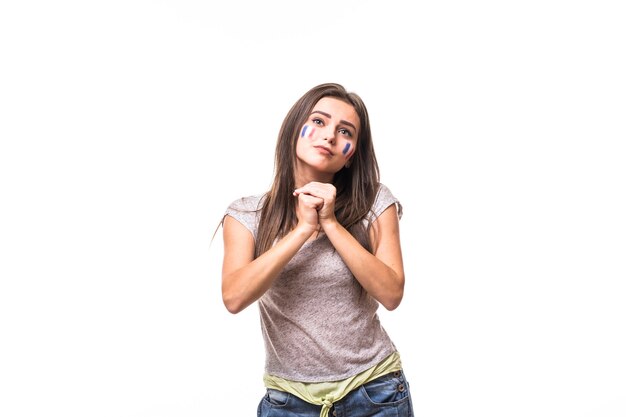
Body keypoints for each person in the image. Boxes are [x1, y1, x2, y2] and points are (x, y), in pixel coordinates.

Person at [220, 82, 414, 417]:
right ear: (295, 128)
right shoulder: (246, 215)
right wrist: (303, 229)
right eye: (320, 122)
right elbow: (234, 297)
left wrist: (332, 224)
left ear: (352, 153)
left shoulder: (374, 203)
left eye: (345, 131)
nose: (330, 136)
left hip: (374, 391)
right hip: (287, 401)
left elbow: (392, 293)